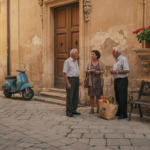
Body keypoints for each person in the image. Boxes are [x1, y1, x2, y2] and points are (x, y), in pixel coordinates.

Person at [110, 46, 130, 119]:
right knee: (117, 97)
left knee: (122, 97)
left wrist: (116, 71)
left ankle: (124, 113)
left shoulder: (123, 59)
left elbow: (127, 70)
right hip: (116, 80)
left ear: (117, 52)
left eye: (113, 52)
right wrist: (113, 71)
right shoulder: (116, 60)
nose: (112, 54)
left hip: (122, 80)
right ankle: (119, 112)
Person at [63, 49, 81, 117]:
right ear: (73, 55)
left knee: (75, 96)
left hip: (76, 79)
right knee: (70, 96)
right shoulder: (67, 61)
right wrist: (68, 83)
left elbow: (75, 71)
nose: (78, 55)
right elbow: (64, 73)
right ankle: (69, 111)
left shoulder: (76, 61)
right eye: (77, 53)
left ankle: (74, 110)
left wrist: (78, 80)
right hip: (70, 79)